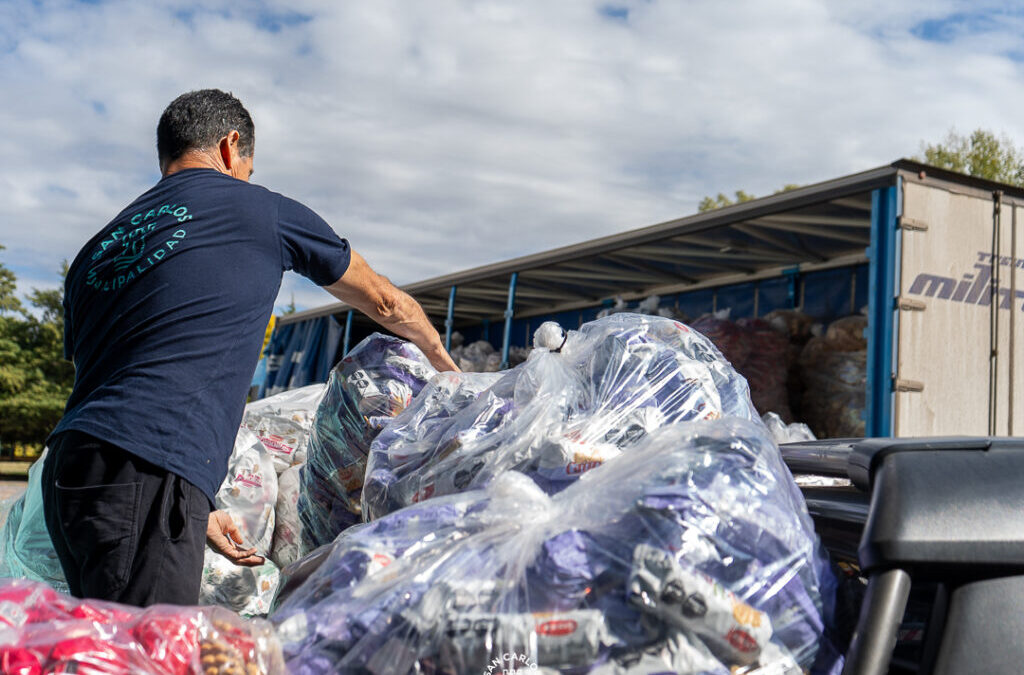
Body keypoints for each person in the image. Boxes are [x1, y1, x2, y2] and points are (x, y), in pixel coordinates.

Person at [43, 89, 458, 607]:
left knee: (105, 646)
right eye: (247, 168)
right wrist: (447, 369)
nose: (246, 180)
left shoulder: (97, 250)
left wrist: (201, 496)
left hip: (70, 467)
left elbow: (125, 370)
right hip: (146, 472)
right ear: (229, 145)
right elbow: (384, 301)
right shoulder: (262, 211)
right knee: (150, 653)